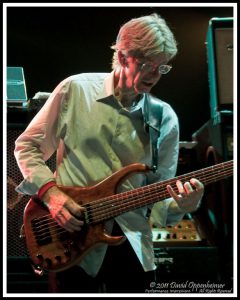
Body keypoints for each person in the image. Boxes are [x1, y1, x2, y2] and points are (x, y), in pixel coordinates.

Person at [14, 13, 204, 293]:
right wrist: (51, 196)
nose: (154, 74)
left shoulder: (165, 118)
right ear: (123, 55)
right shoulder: (75, 90)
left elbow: (160, 199)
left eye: (162, 68)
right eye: (147, 65)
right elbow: (27, 146)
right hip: (70, 238)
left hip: (132, 246)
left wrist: (186, 204)